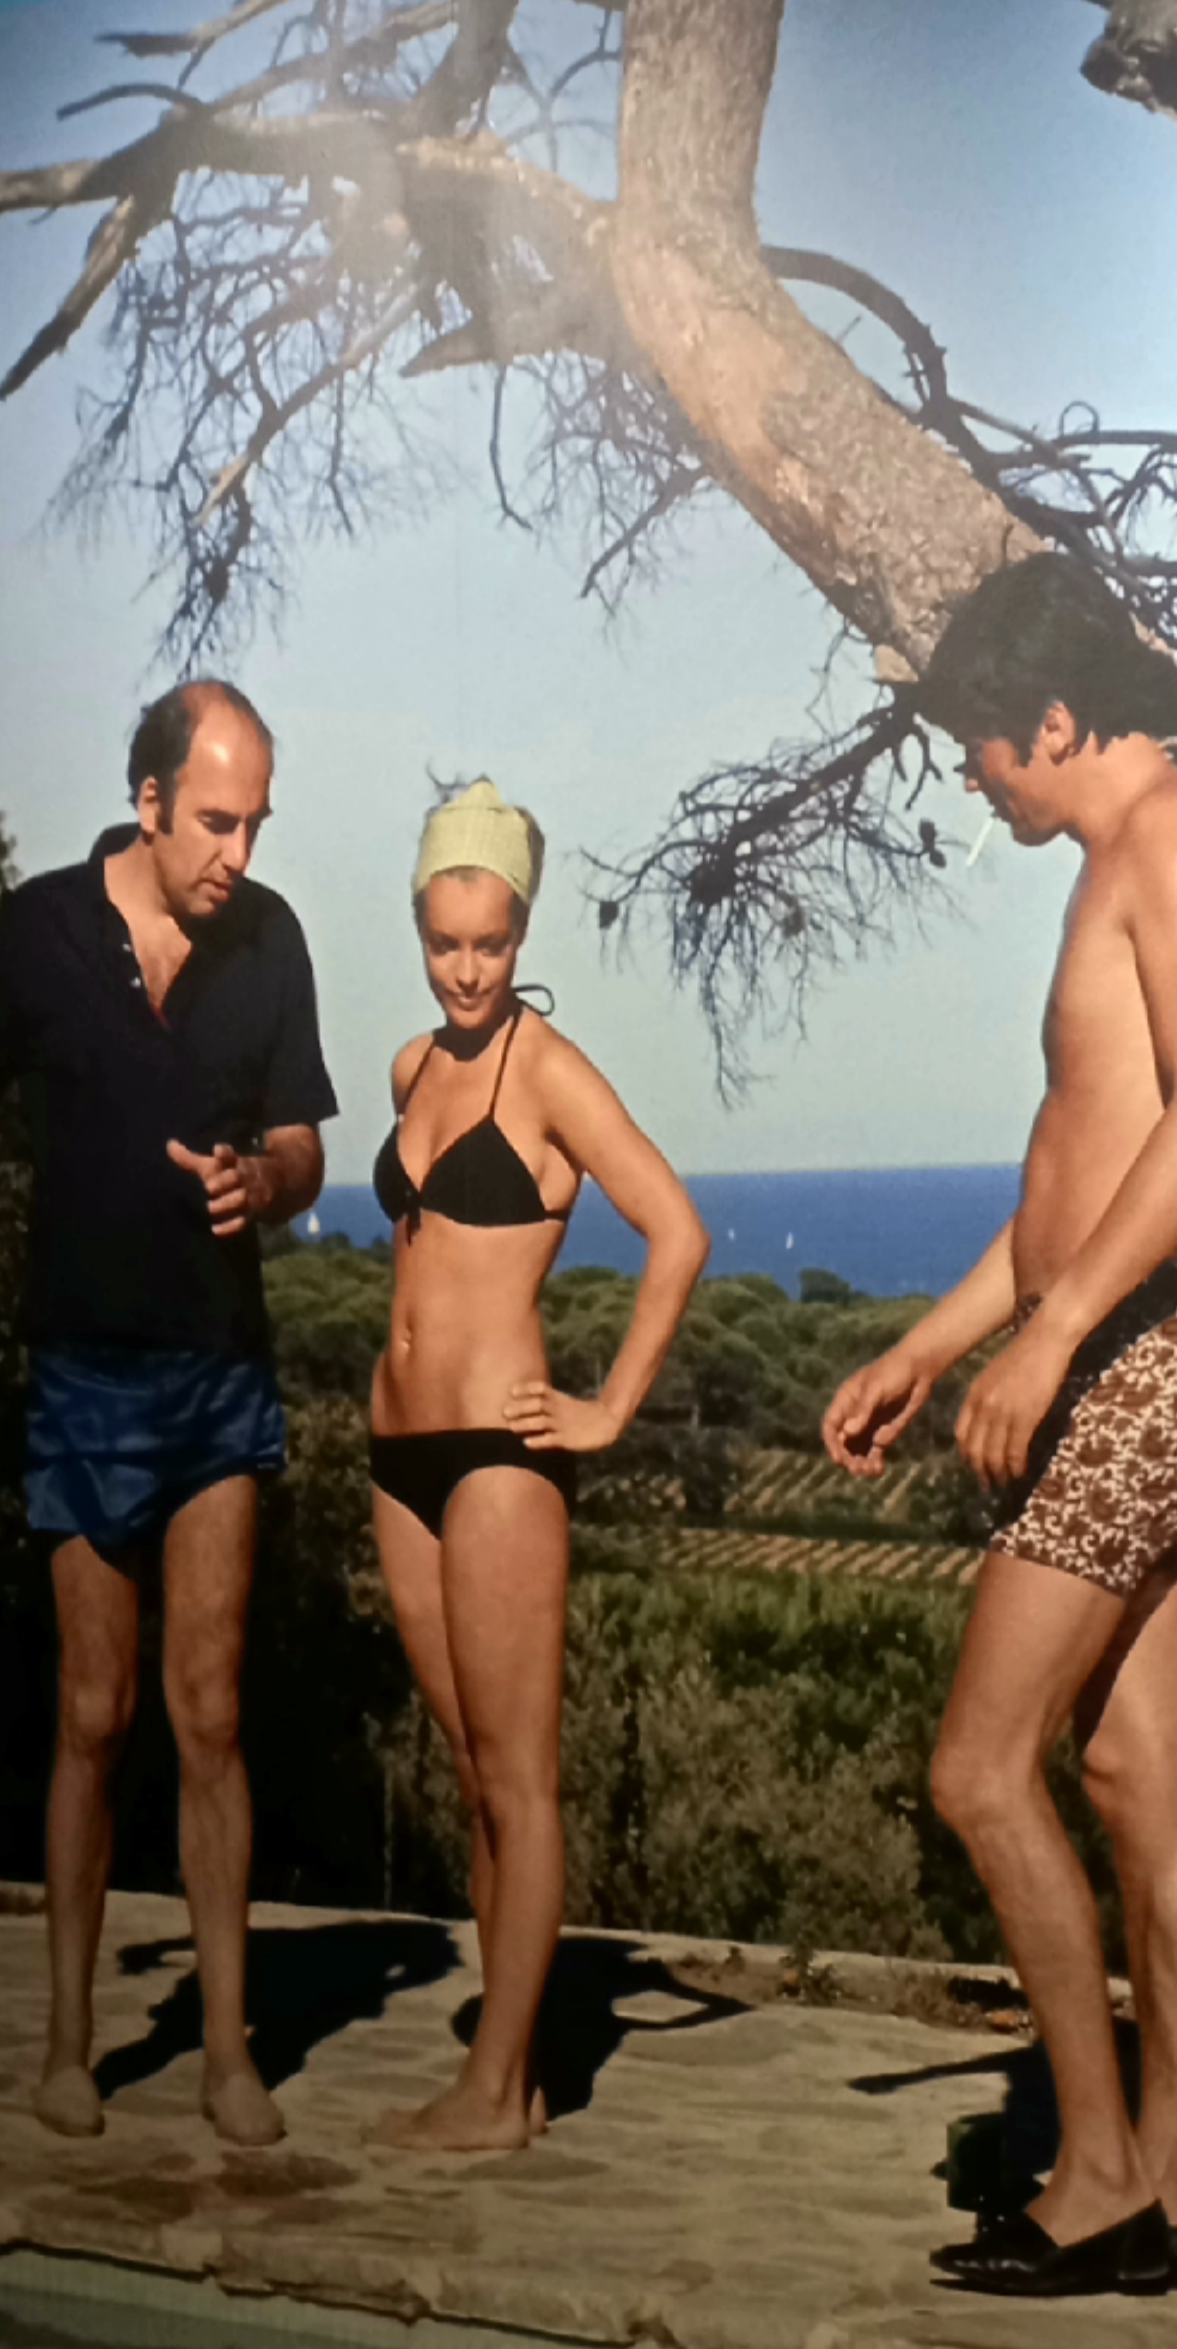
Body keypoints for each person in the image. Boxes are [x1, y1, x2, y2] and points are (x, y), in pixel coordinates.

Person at [822, 557, 1177, 2298]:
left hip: (1142, 1361)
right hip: (1113, 1346)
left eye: (984, 746)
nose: (974, 778)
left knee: (977, 1767)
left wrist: (1059, 1337)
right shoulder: (1123, 855)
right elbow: (1075, 1167)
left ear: (1059, 720)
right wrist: (935, 1348)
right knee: (1128, 1770)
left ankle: (1092, 2174)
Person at [0, 680, 334, 2147]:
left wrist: (263, 1181)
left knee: (210, 1714)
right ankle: (69, 2044)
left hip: (219, 1374)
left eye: (255, 823)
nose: (237, 852)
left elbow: (302, 1146)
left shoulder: (271, 940)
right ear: (146, 801)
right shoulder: (37, 930)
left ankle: (226, 2056)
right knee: (93, 1714)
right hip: (85, 1374)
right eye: (215, 820)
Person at [368, 779, 708, 2152]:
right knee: (469, 1773)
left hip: (500, 1455)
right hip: (398, 1452)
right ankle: (501, 2071)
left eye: (491, 945)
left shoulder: (547, 1070)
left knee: (519, 1778)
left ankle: (495, 2091)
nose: (467, 971)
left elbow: (676, 1230)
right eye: (445, 943)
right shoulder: (412, 1068)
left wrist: (608, 1407)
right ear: (419, 928)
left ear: (523, 933)